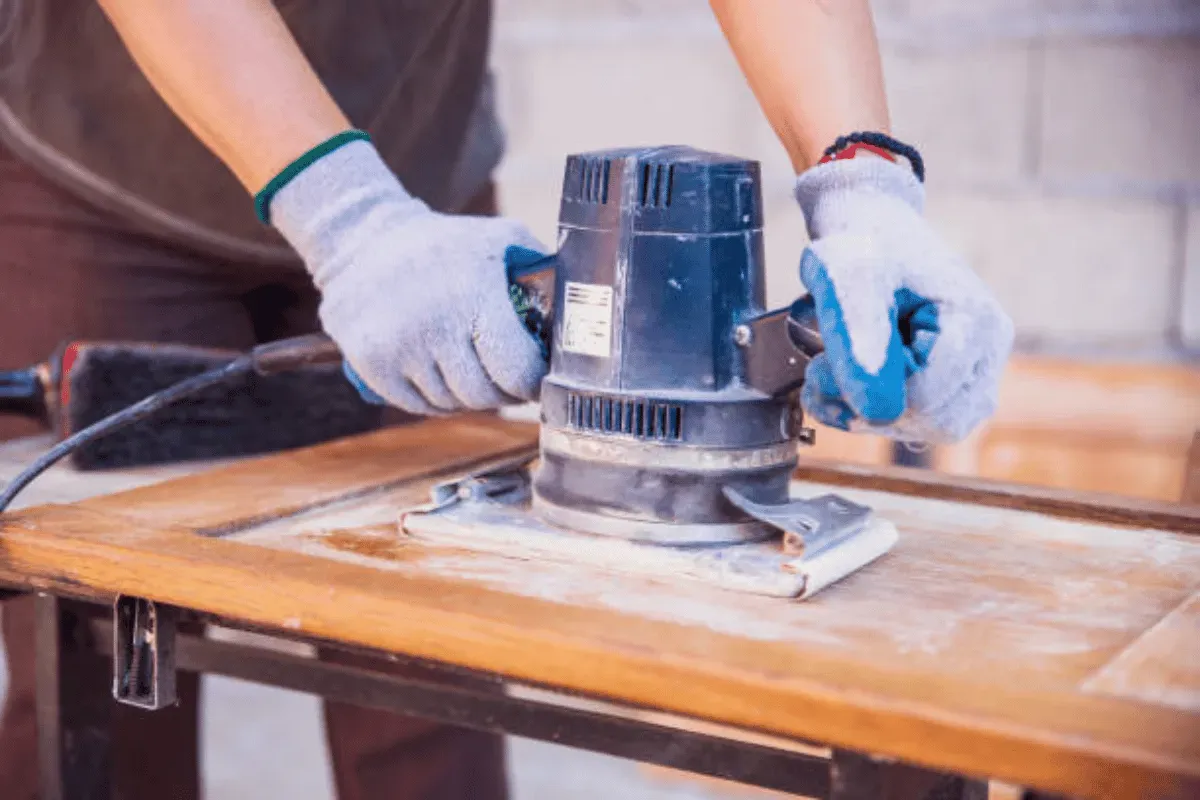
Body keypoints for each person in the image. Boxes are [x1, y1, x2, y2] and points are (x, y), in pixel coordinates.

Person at [0, 0, 1013, 798]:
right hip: (104, 172)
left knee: (432, 667)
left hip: (420, 160)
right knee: (103, 673)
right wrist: (347, 220)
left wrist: (866, 188)